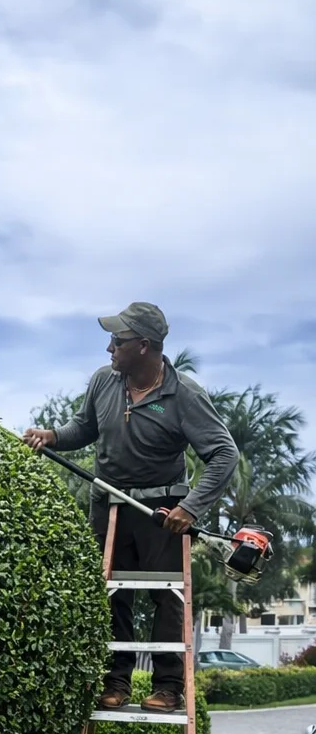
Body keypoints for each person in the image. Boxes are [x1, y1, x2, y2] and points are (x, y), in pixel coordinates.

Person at [23, 302, 239, 711]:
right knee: (111, 595)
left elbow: (224, 454)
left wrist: (190, 508)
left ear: (143, 346)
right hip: (109, 502)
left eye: (117, 341)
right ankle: (115, 682)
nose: (109, 348)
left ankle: (167, 687)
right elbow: (84, 428)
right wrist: (52, 435)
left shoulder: (184, 394)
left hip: (163, 512)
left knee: (166, 596)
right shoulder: (104, 381)